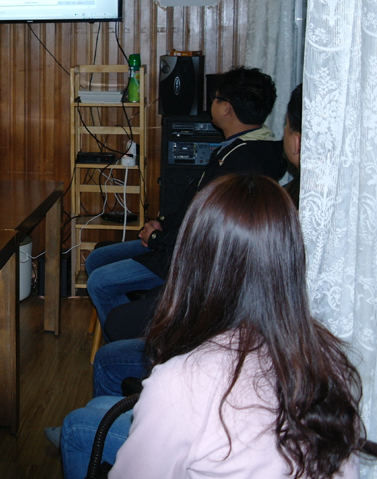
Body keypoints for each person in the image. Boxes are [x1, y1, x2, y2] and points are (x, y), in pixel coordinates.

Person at [61, 174, 363, 478]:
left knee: (76, 426)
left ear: (194, 260)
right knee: (101, 406)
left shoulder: (181, 382)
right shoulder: (330, 361)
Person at [85, 66, 286, 327]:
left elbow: (206, 230)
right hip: (176, 242)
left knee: (100, 282)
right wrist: (161, 225)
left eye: (216, 99)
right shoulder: (246, 147)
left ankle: (137, 339)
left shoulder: (241, 163)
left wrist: (156, 238)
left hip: (189, 259)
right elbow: (193, 209)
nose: (212, 104)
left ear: (226, 109)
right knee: (97, 259)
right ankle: (131, 324)